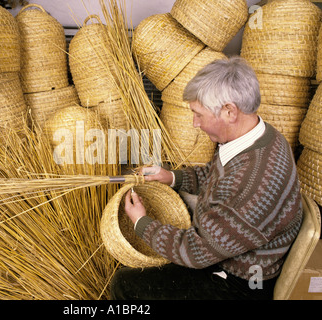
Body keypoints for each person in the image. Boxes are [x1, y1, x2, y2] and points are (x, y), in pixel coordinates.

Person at [109, 56, 303, 300]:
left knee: (125, 285)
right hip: (224, 246)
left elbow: (196, 252)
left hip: (237, 281)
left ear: (229, 111)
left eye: (199, 114)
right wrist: (170, 177)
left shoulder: (252, 184)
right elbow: (216, 176)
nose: (194, 123)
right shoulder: (259, 137)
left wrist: (141, 223)